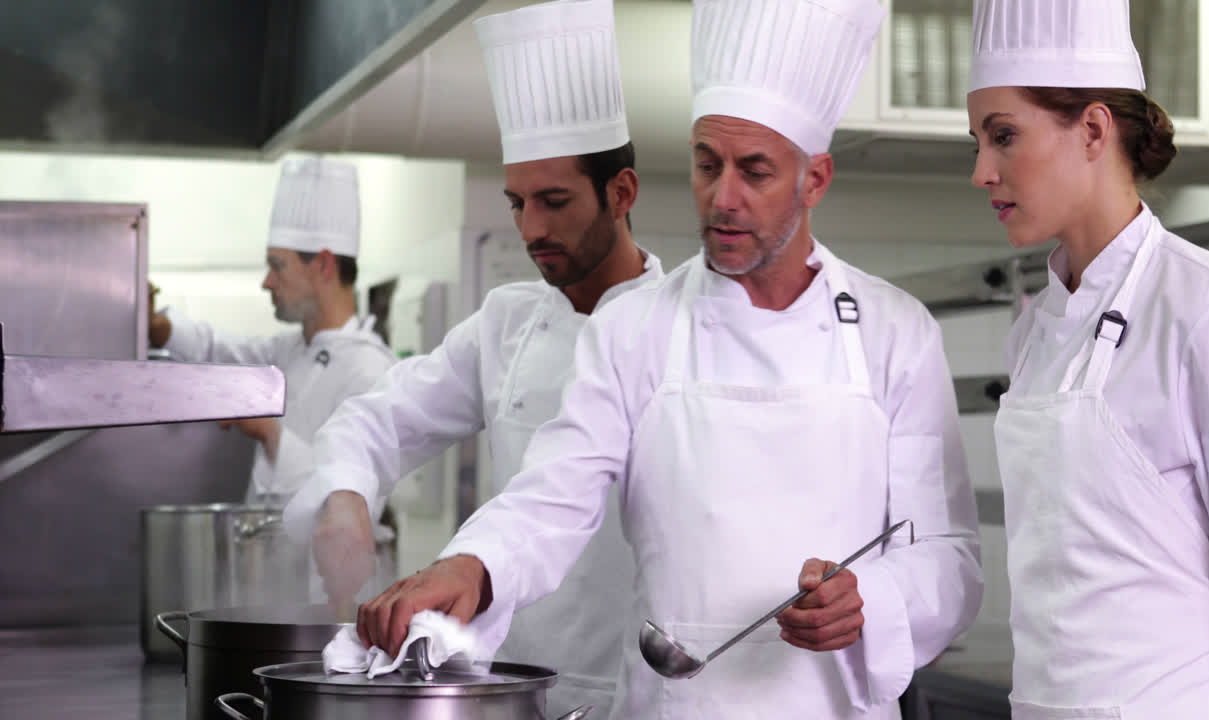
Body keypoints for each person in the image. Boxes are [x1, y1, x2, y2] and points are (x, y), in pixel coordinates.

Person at [355, 0, 983, 717]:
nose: (723, 198)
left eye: (755, 171)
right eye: (706, 164)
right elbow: (555, 493)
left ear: (815, 180)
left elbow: (948, 555)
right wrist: (474, 563)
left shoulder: (894, 332)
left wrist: (877, 599)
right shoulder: (636, 327)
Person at [280, 0, 663, 715]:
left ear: (622, 192)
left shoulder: (683, 328)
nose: (531, 228)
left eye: (554, 201)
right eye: (517, 203)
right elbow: (377, 420)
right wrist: (345, 493)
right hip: (515, 687)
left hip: (638, 693)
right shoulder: (507, 324)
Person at [967, 1, 1209, 717]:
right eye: (976, 142)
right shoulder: (1035, 332)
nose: (982, 171)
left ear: (1094, 130)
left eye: (1003, 136)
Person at [149, 157, 398, 601]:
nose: (267, 282)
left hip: (328, 604)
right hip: (272, 590)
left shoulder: (370, 369)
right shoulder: (289, 351)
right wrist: (160, 328)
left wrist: (269, 432)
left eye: (277, 266)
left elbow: (359, 497)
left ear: (322, 266)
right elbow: (219, 350)